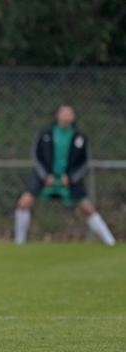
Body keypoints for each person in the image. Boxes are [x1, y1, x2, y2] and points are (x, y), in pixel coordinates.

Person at [14, 104, 116, 246]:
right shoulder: (46, 134)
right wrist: (45, 176)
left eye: (69, 114)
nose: (66, 116)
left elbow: (84, 162)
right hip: (46, 178)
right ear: (58, 115)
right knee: (24, 203)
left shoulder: (79, 137)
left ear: (73, 117)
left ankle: (110, 242)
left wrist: (71, 177)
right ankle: (19, 242)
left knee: (87, 208)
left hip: (69, 180)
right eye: (64, 113)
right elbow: (36, 156)